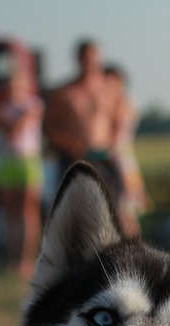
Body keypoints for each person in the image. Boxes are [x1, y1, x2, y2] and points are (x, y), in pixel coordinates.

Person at [44, 39, 124, 213]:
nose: (89, 61)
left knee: (111, 212)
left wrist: (114, 143)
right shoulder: (63, 92)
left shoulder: (111, 88)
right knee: (76, 213)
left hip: (105, 156)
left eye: (93, 57)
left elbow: (119, 120)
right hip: (75, 158)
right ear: (78, 59)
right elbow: (50, 130)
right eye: (85, 57)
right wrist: (70, 143)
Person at [0, 65, 44, 279]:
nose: (12, 87)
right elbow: (11, 130)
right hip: (7, 162)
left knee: (28, 211)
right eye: (9, 84)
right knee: (10, 213)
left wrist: (18, 121)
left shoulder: (35, 103)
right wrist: (19, 119)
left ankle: (27, 260)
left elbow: (16, 128)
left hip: (28, 162)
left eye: (16, 83)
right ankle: (14, 259)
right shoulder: (2, 108)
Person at [104, 64, 151, 237]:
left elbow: (117, 137)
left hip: (119, 161)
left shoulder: (124, 102)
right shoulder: (121, 102)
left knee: (124, 211)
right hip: (121, 159)